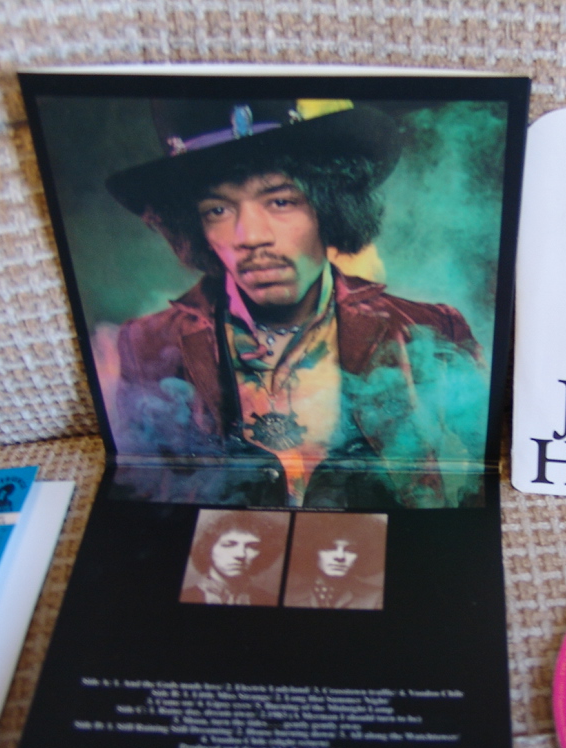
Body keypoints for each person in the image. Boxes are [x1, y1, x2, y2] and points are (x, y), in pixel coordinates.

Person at [104, 99, 486, 509]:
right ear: (195, 226)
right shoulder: (146, 344)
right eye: (218, 209)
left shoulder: (426, 330)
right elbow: (139, 488)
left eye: (281, 201)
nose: (251, 236)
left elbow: (491, 468)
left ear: (327, 204)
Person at [284, 513, 386, 610]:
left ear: (362, 554)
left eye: (350, 549)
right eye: (329, 547)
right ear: (312, 550)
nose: (340, 556)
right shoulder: (288, 596)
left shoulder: (377, 597)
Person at [180, 511, 285, 606]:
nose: (240, 554)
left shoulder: (271, 601)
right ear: (208, 549)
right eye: (228, 544)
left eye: (252, 546)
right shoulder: (184, 597)